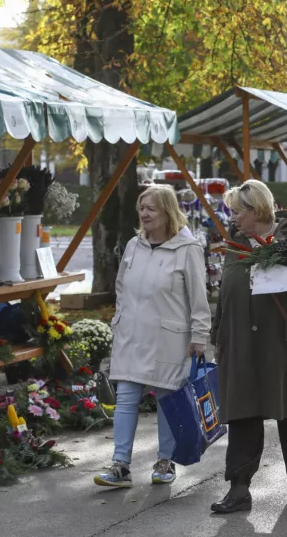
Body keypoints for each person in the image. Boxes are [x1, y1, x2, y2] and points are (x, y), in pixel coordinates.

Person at [210, 180, 287, 513]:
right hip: (242, 344)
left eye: (237, 211)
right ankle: (239, 489)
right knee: (242, 415)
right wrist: (218, 335)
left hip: (285, 342)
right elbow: (224, 293)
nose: (233, 218)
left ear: (257, 210)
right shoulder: (235, 244)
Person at [96, 185, 211, 489]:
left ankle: (165, 461)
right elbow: (121, 286)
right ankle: (120, 465)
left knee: (166, 399)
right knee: (125, 398)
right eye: (142, 208)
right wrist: (119, 319)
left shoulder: (188, 249)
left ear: (168, 213)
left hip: (169, 338)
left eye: (151, 209)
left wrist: (200, 335)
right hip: (131, 335)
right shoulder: (134, 245)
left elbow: (200, 298)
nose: (144, 214)